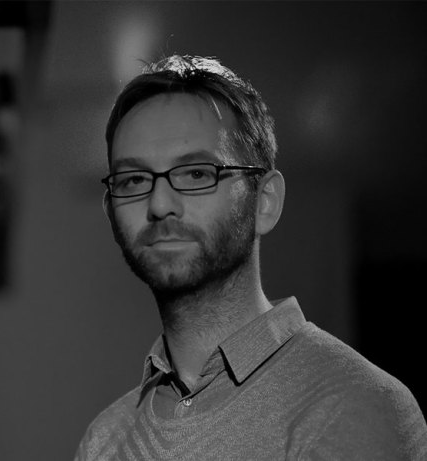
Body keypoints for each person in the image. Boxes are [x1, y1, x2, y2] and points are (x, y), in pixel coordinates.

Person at [75, 55, 427, 460]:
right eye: (134, 180)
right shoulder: (104, 440)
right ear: (111, 209)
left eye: (196, 174)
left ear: (265, 202)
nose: (159, 204)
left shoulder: (354, 405)